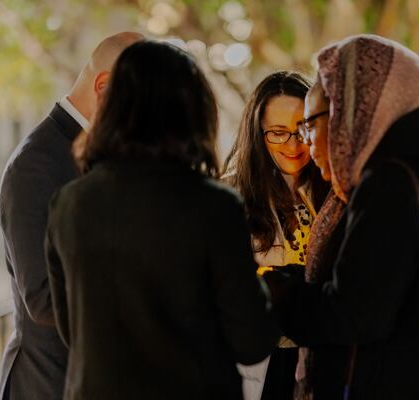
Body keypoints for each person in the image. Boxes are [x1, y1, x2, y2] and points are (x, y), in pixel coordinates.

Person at [266, 34, 419, 399]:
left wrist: (276, 289)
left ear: (352, 112)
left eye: (311, 123)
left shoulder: (390, 182)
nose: (307, 142)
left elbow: (352, 315)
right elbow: (376, 283)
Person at [45, 39, 278, 399]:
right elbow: (251, 341)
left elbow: (71, 329)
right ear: (192, 112)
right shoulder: (214, 206)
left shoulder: (69, 203)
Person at [0, 31, 143, 400]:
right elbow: (43, 299)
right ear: (104, 86)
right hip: (48, 385)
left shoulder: (109, 154)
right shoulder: (34, 165)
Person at [223, 71, 329, 400]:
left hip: (326, 358)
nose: (293, 145)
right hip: (259, 364)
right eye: (277, 133)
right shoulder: (230, 195)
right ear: (257, 133)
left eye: (302, 129)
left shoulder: (334, 189)